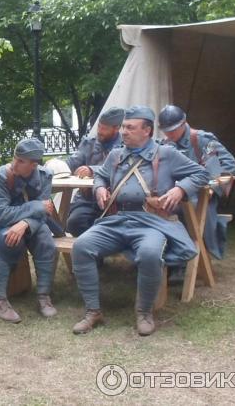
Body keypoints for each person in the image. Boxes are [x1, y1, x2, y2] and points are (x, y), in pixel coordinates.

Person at [71, 105, 208, 336]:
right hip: (118, 219)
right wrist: (99, 188)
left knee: (150, 254)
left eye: (130, 127)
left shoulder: (167, 154)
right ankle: (93, 311)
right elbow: (102, 175)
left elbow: (202, 174)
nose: (124, 132)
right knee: (82, 246)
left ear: (147, 130)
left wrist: (180, 190)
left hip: (151, 222)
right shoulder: (116, 154)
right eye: (123, 127)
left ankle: (144, 313)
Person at [0, 138, 59, 323]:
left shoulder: (44, 176)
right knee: (6, 238)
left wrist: (25, 223)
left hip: (31, 223)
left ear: (33, 164)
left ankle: (43, 296)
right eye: (15, 158)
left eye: (21, 161)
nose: (14, 163)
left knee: (46, 242)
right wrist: (35, 206)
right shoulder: (0, 176)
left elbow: (44, 213)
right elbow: (2, 215)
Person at [158, 104, 235, 263]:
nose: (170, 133)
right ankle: (162, 257)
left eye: (173, 129)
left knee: (191, 209)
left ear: (184, 123)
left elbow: (229, 165)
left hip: (200, 195)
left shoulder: (201, 140)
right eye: (166, 130)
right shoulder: (164, 145)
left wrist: (212, 188)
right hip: (175, 193)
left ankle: (183, 259)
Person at [65, 107, 125, 236]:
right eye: (99, 126)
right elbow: (72, 162)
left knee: (117, 225)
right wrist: (57, 166)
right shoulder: (89, 143)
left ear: (116, 128)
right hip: (87, 200)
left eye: (104, 128)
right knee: (74, 223)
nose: (99, 131)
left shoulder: (126, 146)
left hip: (115, 201)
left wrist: (92, 170)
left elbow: (120, 167)